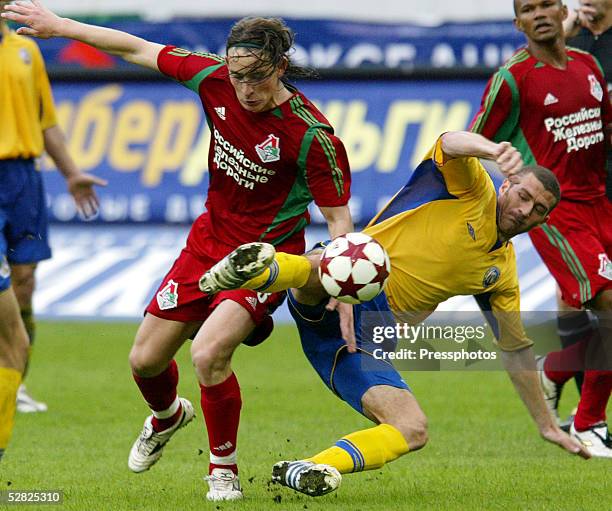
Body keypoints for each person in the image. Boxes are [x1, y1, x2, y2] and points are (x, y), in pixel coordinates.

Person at [1, 0, 354, 500]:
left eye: (256, 78)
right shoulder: (213, 80)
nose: (245, 90)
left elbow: (340, 222)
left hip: (264, 258)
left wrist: (340, 287)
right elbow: (135, 46)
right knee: (144, 361)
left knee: (209, 354)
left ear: (279, 66)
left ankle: (223, 471)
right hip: (206, 245)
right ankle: (168, 417)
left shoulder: (312, 136)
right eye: (238, 78)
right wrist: (60, 26)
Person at [200, 130, 590, 497]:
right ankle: (261, 269)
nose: (525, 210)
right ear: (507, 183)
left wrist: (547, 425)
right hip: (352, 276)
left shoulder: (500, 275)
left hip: (364, 341)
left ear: (544, 220)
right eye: (523, 196)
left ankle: (313, 467)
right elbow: (448, 142)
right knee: (345, 266)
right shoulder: (472, 188)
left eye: (538, 209)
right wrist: (492, 150)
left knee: (413, 428)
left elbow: (515, 348)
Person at [470, 0, 612, 457]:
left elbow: (604, 129)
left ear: (561, 8)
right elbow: (473, 141)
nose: (541, 13)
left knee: (578, 315)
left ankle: (553, 374)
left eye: (547, 3)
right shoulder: (513, 79)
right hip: (556, 212)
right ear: (519, 23)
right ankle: (589, 422)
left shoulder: (589, 66)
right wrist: (501, 166)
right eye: (529, 9)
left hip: (599, 203)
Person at [1, 0, 104, 441]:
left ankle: (15, 381)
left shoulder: (25, 50)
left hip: (24, 178)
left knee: (24, 280)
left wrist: (71, 173)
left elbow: (46, 121)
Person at [556, 0, 611, 426]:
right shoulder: (566, 48)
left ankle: (556, 371)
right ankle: (588, 413)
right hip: (582, 196)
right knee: (578, 298)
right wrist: (564, 34)